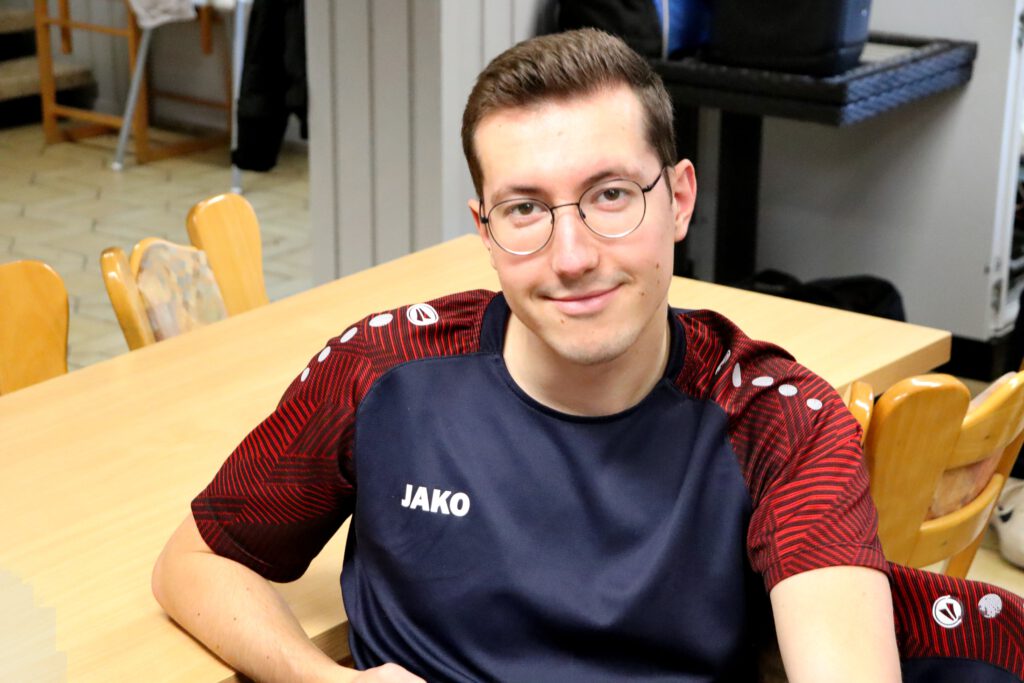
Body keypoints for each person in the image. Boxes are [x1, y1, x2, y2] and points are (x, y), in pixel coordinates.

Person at [152, 28, 1023, 683]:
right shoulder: (382, 371)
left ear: (678, 199)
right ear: (484, 229)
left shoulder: (776, 421)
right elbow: (194, 561)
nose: (570, 256)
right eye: (525, 208)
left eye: (610, 195)